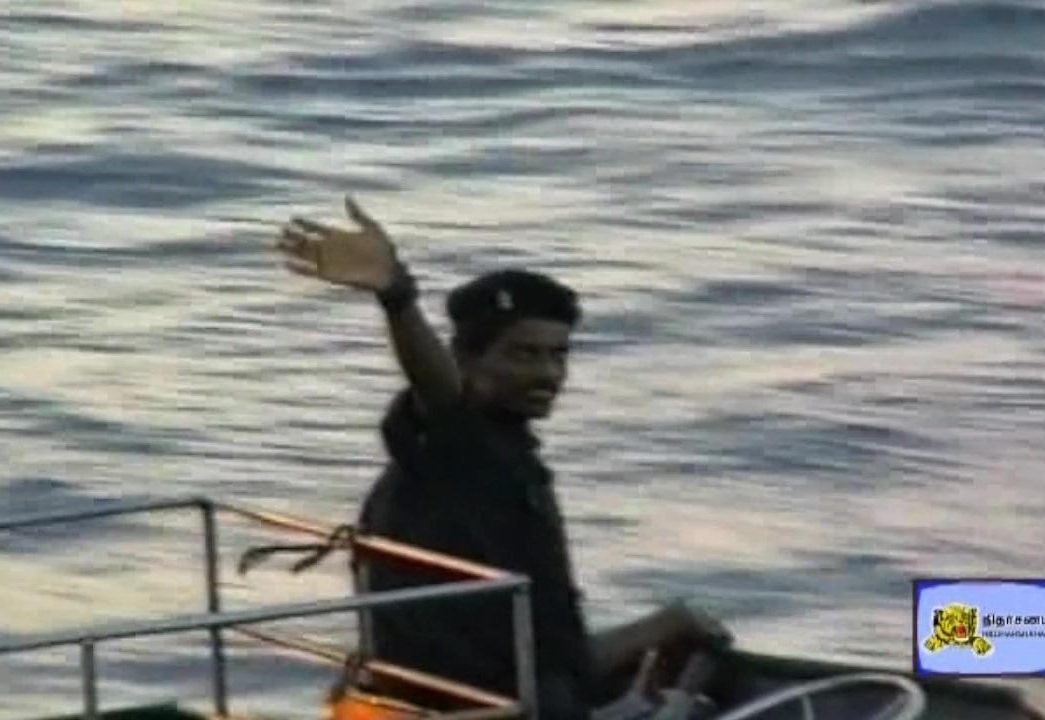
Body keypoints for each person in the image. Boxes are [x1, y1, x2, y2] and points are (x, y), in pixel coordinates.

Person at [275, 197, 727, 720]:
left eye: (559, 355)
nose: (549, 374)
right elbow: (442, 396)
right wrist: (399, 300)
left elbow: (561, 654)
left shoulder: (493, 456)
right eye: (524, 354)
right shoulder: (461, 450)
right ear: (467, 359)